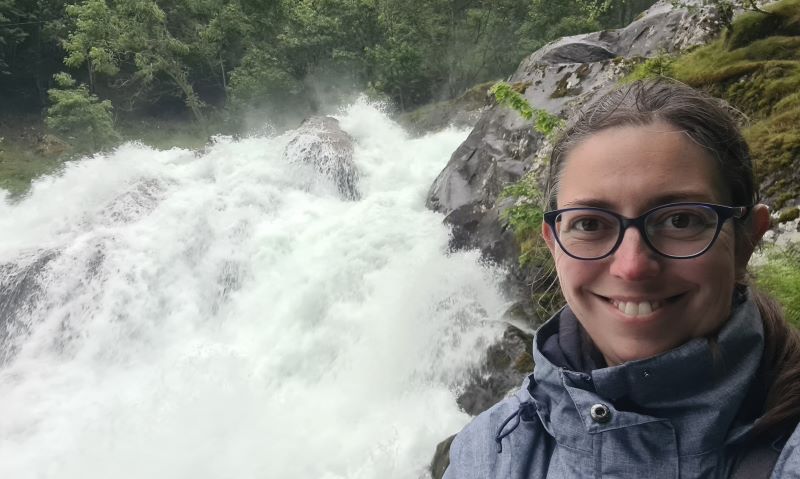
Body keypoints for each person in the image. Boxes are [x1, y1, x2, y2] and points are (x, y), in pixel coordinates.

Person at [443, 79, 800, 478]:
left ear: (747, 239)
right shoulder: (486, 452)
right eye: (590, 224)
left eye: (680, 220)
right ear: (554, 244)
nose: (632, 267)